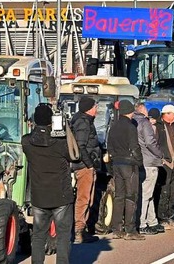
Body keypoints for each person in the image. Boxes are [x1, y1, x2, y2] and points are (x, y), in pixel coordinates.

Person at [21, 104, 75, 263]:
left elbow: (35, 138)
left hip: (39, 196)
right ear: (52, 120)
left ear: (34, 121)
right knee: (63, 236)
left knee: (38, 236)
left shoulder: (26, 142)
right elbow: (74, 155)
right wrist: (66, 130)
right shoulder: (60, 142)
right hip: (61, 195)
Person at [107, 100, 145, 240]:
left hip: (116, 162)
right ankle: (130, 229)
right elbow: (135, 147)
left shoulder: (113, 126)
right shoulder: (130, 127)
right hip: (129, 164)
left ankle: (117, 228)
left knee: (119, 196)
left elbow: (109, 146)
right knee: (131, 196)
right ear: (131, 111)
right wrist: (139, 161)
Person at [70, 96, 101, 243]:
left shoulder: (84, 120)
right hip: (84, 167)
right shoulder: (83, 123)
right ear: (89, 108)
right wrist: (89, 164)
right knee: (83, 198)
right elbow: (80, 146)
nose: (97, 109)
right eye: (95, 106)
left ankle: (83, 230)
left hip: (85, 165)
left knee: (87, 198)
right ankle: (79, 231)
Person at [133, 102, 165, 235]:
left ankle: (152, 221)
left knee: (148, 192)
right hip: (149, 161)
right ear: (142, 110)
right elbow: (150, 142)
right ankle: (142, 223)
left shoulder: (132, 122)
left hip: (140, 160)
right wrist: (160, 154)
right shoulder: (144, 123)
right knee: (146, 194)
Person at [156, 104, 174, 230]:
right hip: (165, 163)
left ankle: (170, 215)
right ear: (166, 114)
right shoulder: (158, 127)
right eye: (173, 114)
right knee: (164, 191)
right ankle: (162, 218)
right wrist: (161, 159)